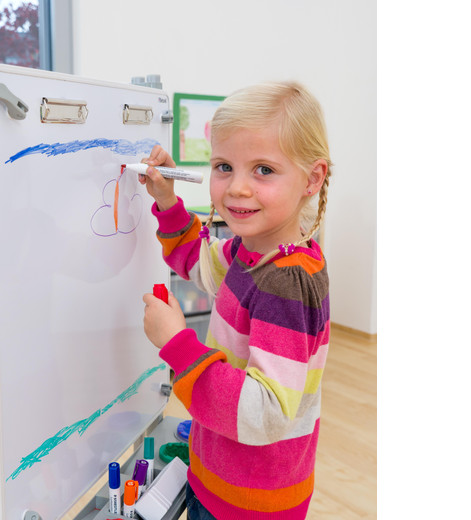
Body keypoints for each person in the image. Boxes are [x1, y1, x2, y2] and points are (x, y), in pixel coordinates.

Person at [140, 81, 332, 520]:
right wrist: (167, 199)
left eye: (263, 169)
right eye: (224, 167)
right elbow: (198, 261)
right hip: (219, 478)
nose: (237, 188)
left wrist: (178, 344)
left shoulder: (285, 282)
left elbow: (265, 414)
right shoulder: (252, 251)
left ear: (312, 178)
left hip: (248, 504)